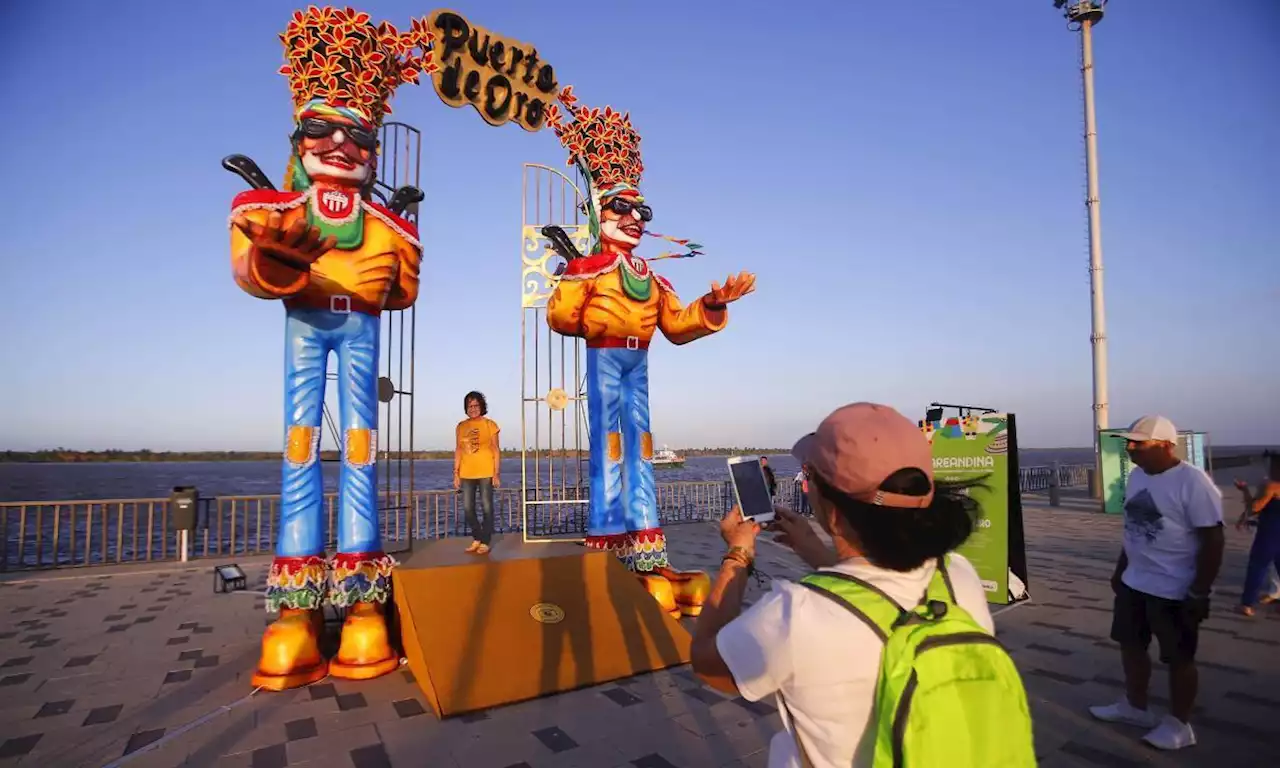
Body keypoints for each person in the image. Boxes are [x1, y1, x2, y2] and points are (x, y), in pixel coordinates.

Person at [690, 402, 1033, 767]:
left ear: (832, 509)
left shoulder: (796, 614)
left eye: (809, 478)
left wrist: (738, 556)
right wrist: (816, 551)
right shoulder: (957, 575)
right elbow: (876, 595)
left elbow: (708, 662)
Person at [1089, 415, 1224, 751]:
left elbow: (1213, 540)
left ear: (1166, 445)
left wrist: (1200, 591)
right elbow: (1133, 529)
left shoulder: (1193, 483)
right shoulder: (1136, 477)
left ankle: (1180, 725)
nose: (1130, 449)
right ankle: (1135, 706)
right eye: (1128, 443)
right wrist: (1121, 570)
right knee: (1130, 645)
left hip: (1175, 587)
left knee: (1179, 658)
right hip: (1136, 583)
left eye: (1139, 443)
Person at [454, 391, 501, 554]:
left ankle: (485, 541)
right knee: (468, 508)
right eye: (469, 406)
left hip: (486, 472)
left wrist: (496, 473)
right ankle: (477, 537)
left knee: (487, 507)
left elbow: (495, 449)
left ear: (481, 406)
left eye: (476, 405)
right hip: (466, 473)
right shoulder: (461, 426)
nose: (473, 409)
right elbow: (459, 450)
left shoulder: (490, 425)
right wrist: (456, 472)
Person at [1233, 453, 1280, 616]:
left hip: (1270, 533)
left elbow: (1254, 508)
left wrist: (1244, 490)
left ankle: (1247, 604)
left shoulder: (1271, 485)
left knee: (1257, 567)